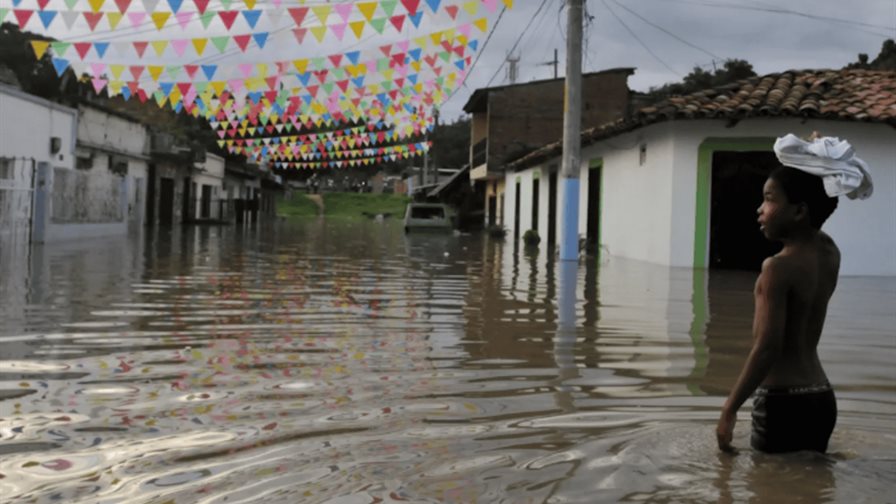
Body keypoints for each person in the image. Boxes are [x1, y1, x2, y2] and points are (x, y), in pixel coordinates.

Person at [716, 133, 873, 453]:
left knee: (769, 489)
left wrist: (729, 409)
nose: (760, 209)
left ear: (799, 211)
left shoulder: (777, 268)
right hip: (821, 397)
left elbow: (766, 348)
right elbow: (817, 206)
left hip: (781, 403)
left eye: (770, 198)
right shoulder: (830, 252)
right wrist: (816, 163)